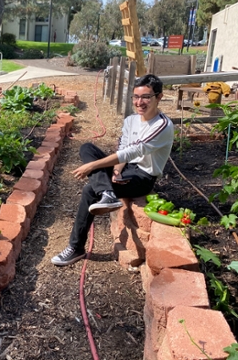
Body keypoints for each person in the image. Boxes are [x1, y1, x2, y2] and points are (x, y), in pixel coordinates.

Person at [51, 74, 174, 266]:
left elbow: (135, 151)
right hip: (127, 167)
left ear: (158, 97)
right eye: (135, 97)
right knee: (87, 148)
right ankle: (107, 192)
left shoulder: (162, 125)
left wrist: (93, 166)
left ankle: (76, 248)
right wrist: (116, 170)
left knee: (89, 190)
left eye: (145, 97)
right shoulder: (132, 120)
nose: (139, 102)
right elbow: (123, 148)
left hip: (143, 176)